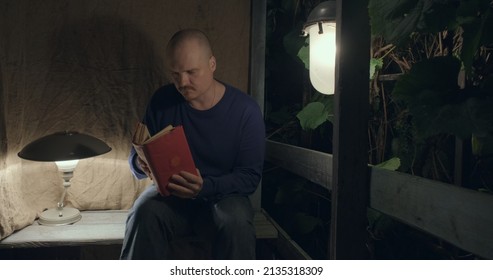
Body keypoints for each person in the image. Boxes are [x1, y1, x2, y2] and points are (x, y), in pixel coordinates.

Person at [120, 28, 265, 260]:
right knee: (143, 211)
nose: (182, 82)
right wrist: (140, 162)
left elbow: (249, 177)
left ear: (212, 64)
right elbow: (134, 159)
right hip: (173, 201)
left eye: (191, 72)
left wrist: (204, 187)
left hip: (225, 197)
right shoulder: (162, 100)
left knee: (236, 221)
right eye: (175, 74)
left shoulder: (245, 110)